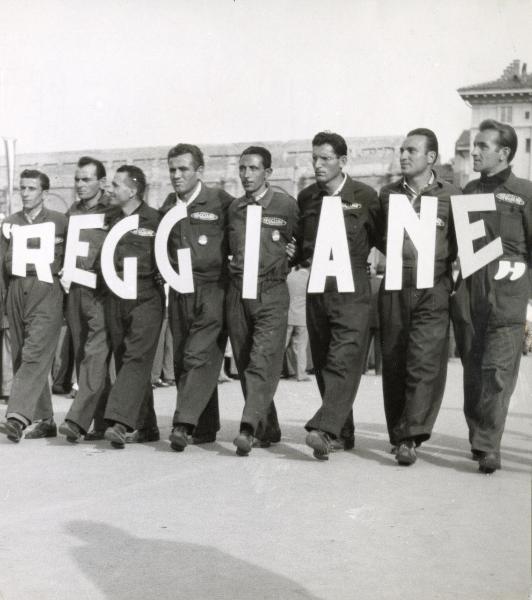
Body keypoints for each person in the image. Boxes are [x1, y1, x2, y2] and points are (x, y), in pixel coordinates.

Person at [451, 119, 532, 474]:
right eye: (474, 145)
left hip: (509, 296)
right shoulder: (467, 191)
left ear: (504, 152)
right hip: (470, 295)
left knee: (497, 373)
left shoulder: (525, 192)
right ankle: (479, 436)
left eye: (483, 146)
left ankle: (488, 445)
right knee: (473, 373)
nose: (475, 151)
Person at [376, 128, 460, 465]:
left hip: (433, 288)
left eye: (412, 150)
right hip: (395, 286)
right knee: (395, 361)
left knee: (424, 362)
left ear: (431, 157)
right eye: (402, 150)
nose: (404, 155)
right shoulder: (387, 195)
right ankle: (398, 433)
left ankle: (411, 436)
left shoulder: (453, 197)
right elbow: (381, 237)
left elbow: (460, 243)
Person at [298, 131, 378, 460]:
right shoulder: (306, 198)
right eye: (315, 158)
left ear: (343, 161)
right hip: (318, 287)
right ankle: (341, 432)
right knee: (324, 362)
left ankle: (325, 428)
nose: (318, 165)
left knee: (343, 359)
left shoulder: (366, 195)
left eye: (325, 159)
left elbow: (384, 237)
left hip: (352, 288)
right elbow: (300, 242)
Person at [160, 143, 233, 452]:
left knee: (199, 356)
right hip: (179, 289)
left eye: (183, 169)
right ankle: (204, 427)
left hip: (213, 287)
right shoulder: (167, 205)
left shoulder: (220, 201)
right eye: (172, 170)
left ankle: (183, 423)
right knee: (182, 359)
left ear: (200, 171)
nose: (177, 176)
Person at [227, 146, 299, 456]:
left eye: (253, 169)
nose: (246, 175)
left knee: (263, 359)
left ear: (267, 173)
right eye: (242, 168)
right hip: (239, 291)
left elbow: (305, 239)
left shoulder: (285, 205)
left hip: (271, 290)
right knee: (245, 361)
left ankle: (247, 427)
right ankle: (268, 427)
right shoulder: (235, 208)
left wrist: (295, 254)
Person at [0, 170, 67, 442]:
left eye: (31, 188)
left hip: (46, 288)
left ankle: (16, 417)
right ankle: (46, 419)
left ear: (44, 193)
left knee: (34, 354)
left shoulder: (60, 222)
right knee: (21, 356)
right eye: (22, 188)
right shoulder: (9, 223)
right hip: (16, 289)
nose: (25, 193)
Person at [102, 165, 164, 449]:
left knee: (137, 357)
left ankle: (119, 421)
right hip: (116, 295)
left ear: (133, 190)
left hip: (146, 295)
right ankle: (146, 425)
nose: (110, 190)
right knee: (124, 355)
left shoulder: (157, 220)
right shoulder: (109, 218)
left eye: (116, 185)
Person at [58, 156, 114, 443]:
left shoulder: (114, 210)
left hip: (102, 293)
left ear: (101, 182)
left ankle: (77, 420)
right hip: (76, 292)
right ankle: (104, 422)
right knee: (85, 356)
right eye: (77, 180)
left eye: (86, 179)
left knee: (94, 355)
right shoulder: (72, 211)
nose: (80, 185)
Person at [285, 263, 311, 381]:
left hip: (289, 314)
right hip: (303, 316)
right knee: (300, 347)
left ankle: (272, 371)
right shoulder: (309, 278)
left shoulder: (289, 276)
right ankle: (300, 374)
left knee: (282, 346)